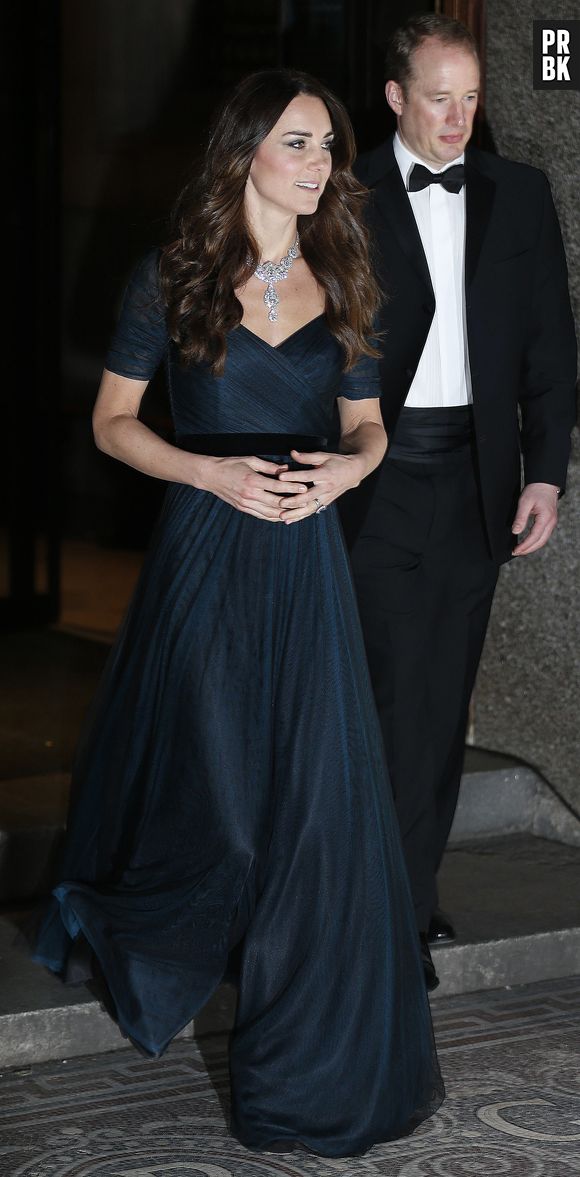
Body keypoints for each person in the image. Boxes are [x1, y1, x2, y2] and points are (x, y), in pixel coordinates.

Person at [31, 70, 443, 1156]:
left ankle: (301, 1079)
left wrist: (340, 479)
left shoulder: (345, 279)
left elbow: (368, 431)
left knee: (310, 823)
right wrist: (206, 477)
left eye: (329, 149)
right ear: (245, 150)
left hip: (306, 568)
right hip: (205, 566)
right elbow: (113, 423)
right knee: (219, 811)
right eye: (301, 144)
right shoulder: (169, 279)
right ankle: (136, 928)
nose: (321, 167)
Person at [340, 15, 577, 991]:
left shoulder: (519, 193)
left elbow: (549, 350)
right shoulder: (340, 191)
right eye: (437, 97)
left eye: (470, 97)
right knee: (389, 695)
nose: (455, 117)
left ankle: (406, 885)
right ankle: (378, 913)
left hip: (477, 478)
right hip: (378, 475)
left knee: (439, 704)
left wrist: (543, 471)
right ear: (395, 95)